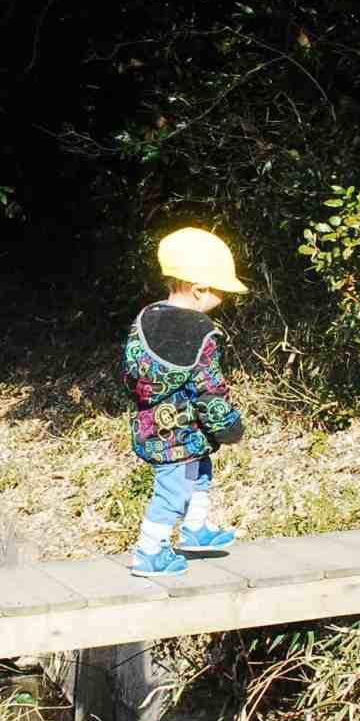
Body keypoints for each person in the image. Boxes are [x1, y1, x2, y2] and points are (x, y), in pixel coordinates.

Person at [123, 228, 248, 576]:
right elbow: (211, 390)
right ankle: (149, 552)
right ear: (199, 289)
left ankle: (195, 529)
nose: (223, 299)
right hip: (181, 433)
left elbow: (132, 374)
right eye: (220, 292)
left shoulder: (146, 318)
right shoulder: (201, 332)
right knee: (172, 491)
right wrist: (229, 427)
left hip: (153, 425)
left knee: (199, 471)